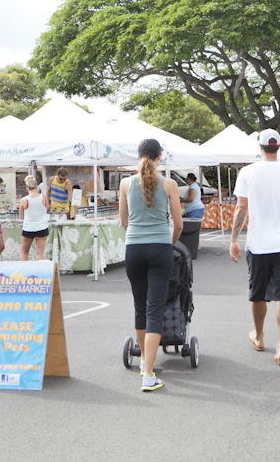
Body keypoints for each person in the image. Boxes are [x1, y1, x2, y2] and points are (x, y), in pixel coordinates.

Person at [229, 129, 280, 367]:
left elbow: (241, 209)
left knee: (258, 293)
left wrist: (233, 240)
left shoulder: (247, 172)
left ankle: (260, 336)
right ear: (279, 146)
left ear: (260, 147)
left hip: (258, 243)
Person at [119, 139, 183, 392]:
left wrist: (135, 237)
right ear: (159, 158)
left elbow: (123, 221)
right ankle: (148, 374)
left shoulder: (125, 183)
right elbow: (178, 224)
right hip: (160, 249)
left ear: (138, 157)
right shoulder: (169, 184)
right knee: (155, 309)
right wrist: (172, 245)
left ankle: (145, 360)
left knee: (140, 306)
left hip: (133, 248)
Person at [19, 175, 49, 261]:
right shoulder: (44, 198)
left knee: (24, 252)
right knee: (40, 253)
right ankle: (39, 273)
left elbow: (21, 216)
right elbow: (47, 208)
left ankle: (23, 272)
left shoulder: (24, 200)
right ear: (37, 186)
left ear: (27, 188)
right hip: (42, 227)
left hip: (28, 227)